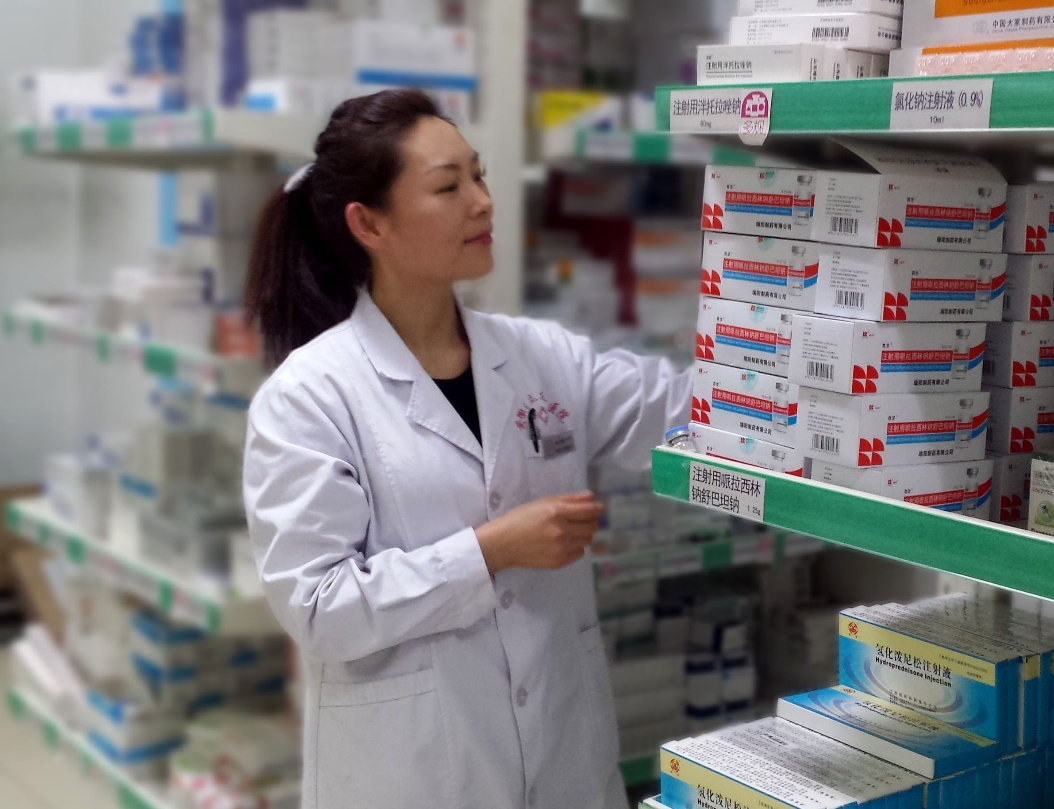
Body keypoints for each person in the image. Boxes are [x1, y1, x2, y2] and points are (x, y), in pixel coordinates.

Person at [242, 89, 692, 809]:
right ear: (368, 223)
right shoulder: (310, 395)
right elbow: (320, 609)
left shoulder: (541, 356)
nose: (483, 203)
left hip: (565, 763)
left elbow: (677, 408)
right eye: (448, 187)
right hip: (412, 777)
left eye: (478, 176)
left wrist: (795, 362)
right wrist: (489, 551)